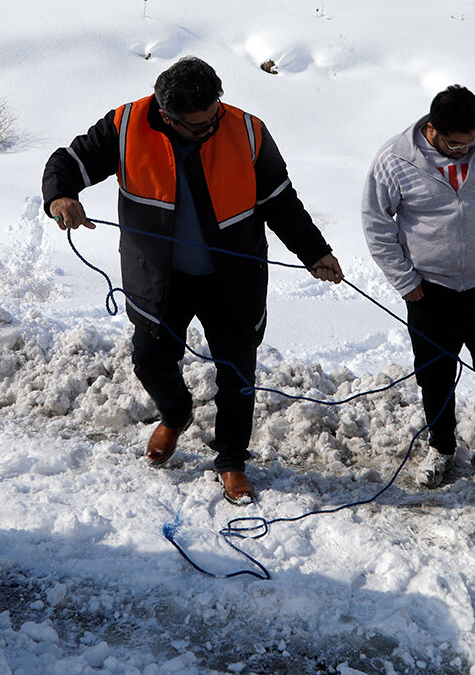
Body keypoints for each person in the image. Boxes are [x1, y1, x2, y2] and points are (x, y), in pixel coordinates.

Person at [42, 56, 343, 505]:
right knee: (149, 360)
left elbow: (281, 202)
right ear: (167, 116)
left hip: (231, 280)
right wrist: (62, 196)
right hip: (159, 277)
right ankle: (176, 413)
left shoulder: (247, 131)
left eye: (214, 115)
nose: (210, 126)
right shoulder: (126, 125)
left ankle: (232, 461)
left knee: (237, 374)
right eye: (198, 125)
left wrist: (315, 252)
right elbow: (68, 161)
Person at [361, 85, 475, 488]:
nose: (464, 151)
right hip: (429, 291)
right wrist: (405, 280)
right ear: (433, 129)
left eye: (471, 142)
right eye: (456, 145)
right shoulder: (396, 159)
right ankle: (441, 447)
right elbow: (376, 221)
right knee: (434, 375)